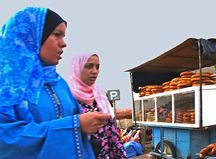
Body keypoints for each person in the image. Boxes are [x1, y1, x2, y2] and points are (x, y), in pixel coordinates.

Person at [0, 7, 111, 159]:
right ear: (33, 35)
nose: (63, 43)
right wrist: (73, 126)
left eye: (63, 36)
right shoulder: (8, 86)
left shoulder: (60, 84)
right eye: (57, 35)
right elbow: (5, 139)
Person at [67, 54, 127, 159]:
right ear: (77, 67)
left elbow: (112, 133)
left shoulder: (100, 96)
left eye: (97, 67)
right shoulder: (67, 98)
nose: (95, 71)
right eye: (89, 66)